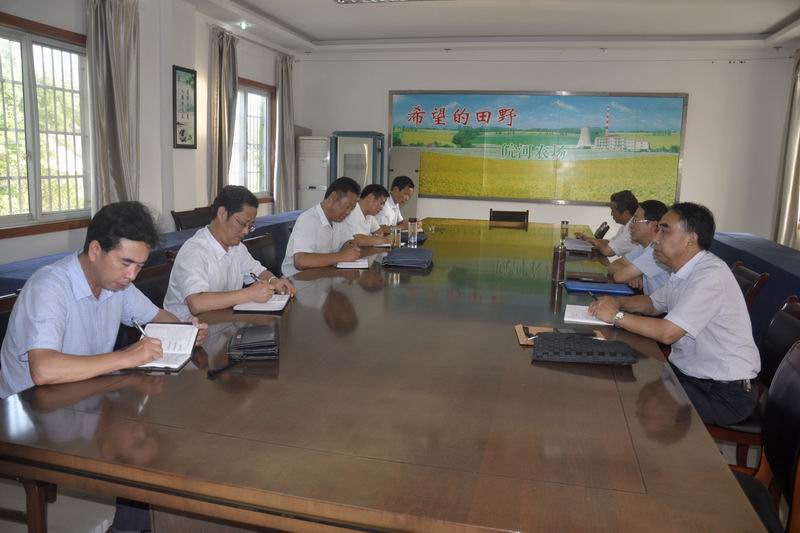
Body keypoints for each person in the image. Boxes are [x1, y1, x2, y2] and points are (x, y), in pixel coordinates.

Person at [0, 200, 209, 393]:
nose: (132, 275)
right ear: (95, 250)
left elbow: (158, 316)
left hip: (83, 392)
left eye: (139, 266)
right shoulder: (49, 287)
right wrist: (125, 357)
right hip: (27, 407)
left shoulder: (118, 285)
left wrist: (186, 331)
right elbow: (43, 370)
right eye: (125, 263)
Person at [589, 202, 759, 426]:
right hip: (690, 376)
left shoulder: (710, 275)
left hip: (723, 393)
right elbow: (652, 303)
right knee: (620, 379)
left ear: (691, 238)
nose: (656, 239)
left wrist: (616, 316)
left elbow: (668, 333)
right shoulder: (684, 270)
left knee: (630, 402)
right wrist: (617, 302)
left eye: (665, 231)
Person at [164, 185, 295, 321]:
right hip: (187, 329)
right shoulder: (194, 251)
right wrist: (249, 294)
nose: (246, 231)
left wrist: (274, 281)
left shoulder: (236, 247)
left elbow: (258, 272)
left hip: (224, 322)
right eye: (242, 223)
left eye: (250, 226)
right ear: (222, 214)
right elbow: (196, 304)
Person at [281, 177, 363, 277]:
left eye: (352, 209)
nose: (348, 212)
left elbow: (348, 241)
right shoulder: (308, 219)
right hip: (298, 281)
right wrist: (340, 256)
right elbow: (301, 261)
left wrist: (350, 247)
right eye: (347, 206)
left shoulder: (339, 219)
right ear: (333, 197)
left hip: (324, 276)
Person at [606, 200, 670, 294]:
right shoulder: (643, 246)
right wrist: (633, 275)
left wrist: (628, 274)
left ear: (654, 225)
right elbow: (612, 266)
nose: (631, 226)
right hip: (649, 300)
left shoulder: (656, 251)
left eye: (635, 220)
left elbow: (619, 277)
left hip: (658, 303)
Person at [577, 190, 638, 256]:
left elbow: (608, 251)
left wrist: (594, 241)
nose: (611, 214)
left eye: (613, 211)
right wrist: (588, 239)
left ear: (625, 213)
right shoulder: (625, 226)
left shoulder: (632, 230)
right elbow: (610, 243)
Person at [334, 183, 391, 248]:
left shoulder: (369, 214)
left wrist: (370, 240)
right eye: (381, 203)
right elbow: (357, 239)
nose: (381, 208)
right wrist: (384, 240)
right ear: (370, 197)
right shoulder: (351, 211)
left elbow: (379, 232)